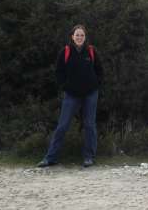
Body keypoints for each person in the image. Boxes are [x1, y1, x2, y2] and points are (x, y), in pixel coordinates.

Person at [37, 24, 103, 168]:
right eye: (77, 35)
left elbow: (100, 70)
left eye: (82, 35)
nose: (79, 37)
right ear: (72, 37)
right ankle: (50, 158)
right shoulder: (65, 51)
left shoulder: (91, 51)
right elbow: (59, 72)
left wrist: (96, 84)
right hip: (71, 95)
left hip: (90, 94)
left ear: (85, 37)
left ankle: (89, 157)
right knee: (62, 126)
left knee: (89, 125)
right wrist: (65, 86)